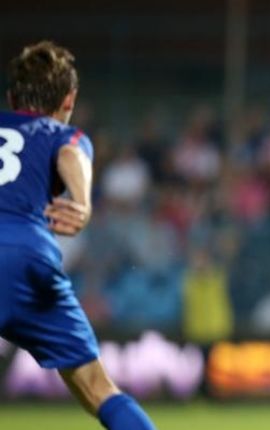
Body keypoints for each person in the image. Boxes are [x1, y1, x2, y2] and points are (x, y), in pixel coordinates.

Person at [0, 41, 156, 430]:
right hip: (28, 255)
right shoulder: (60, 134)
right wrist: (83, 201)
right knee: (97, 388)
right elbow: (73, 155)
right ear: (69, 99)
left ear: (11, 97)